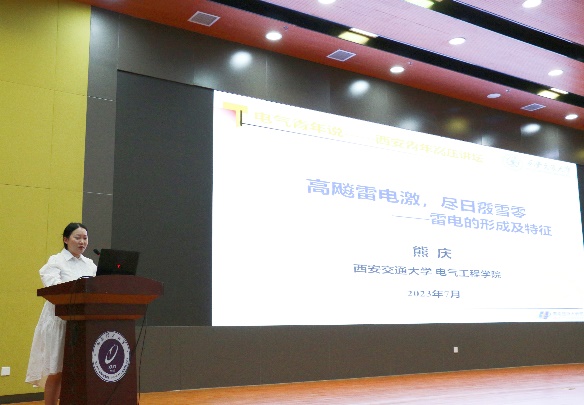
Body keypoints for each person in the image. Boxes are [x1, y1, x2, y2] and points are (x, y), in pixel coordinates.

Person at [25, 223, 97, 405]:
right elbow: (52, 288)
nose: (82, 242)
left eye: (85, 238)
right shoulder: (56, 261)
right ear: (66, 240)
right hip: (59, 321)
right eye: (77, 237)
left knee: (76, 370)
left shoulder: (90, 264)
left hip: (82, 322)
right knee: (57, 371)